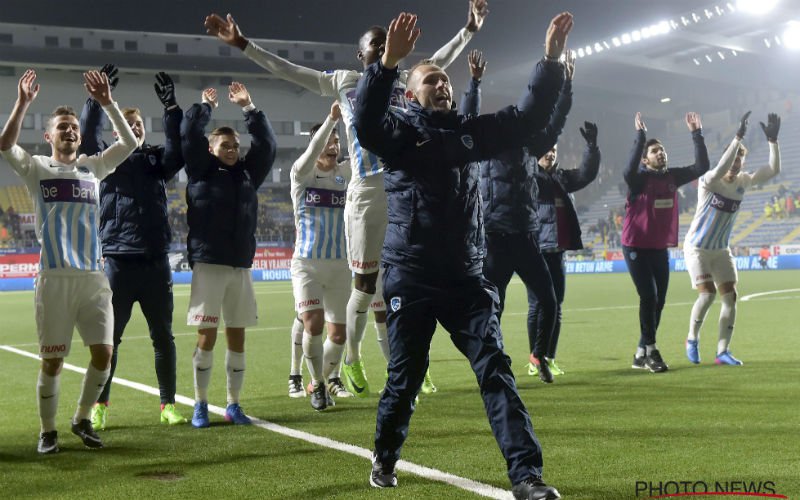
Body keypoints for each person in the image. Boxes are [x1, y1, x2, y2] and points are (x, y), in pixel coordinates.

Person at [203, 0, 489, 397]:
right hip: (367, 192)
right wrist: (244, 44)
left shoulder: (405, 79)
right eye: (376, 44)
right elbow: (290, 70)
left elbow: (437, 62)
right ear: (362, 53)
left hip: (404, 189)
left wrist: (469, 30)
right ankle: (352, 357)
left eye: (386, 42)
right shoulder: (345, 81)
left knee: (401, 287)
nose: (382, 46)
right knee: (365, 286)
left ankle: (405, 366)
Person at [353, 11, 572, 500]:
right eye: (430, 79)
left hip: (467, 278)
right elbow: (365, 123)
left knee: (496, 370)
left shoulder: (467, 134)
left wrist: (551, 60)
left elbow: (526, 119)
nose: (442, 84)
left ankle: (527, 476)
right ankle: (385, 456)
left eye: (445, 79)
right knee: (405, 382)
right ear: (410, 94)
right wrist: (386, 64)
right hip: (410, 277)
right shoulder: (398, 136)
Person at [0, 69, 137, 453]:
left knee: (104, 354)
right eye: (62, 127)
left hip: (93, 277)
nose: (70, 131)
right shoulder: (37, 168)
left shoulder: (93, 168)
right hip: (55, 278)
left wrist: (108, 103)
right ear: (49, 136)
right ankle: (47, 431)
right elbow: (5, 144)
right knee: (53, 362)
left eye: (74, 126)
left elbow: (129, 143)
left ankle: (81, 418)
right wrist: (23, 103)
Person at [78, 66, 187, 429]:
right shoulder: (105, 163)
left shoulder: (155, 161)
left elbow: (178, 153)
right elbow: (87, 139)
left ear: (144, 128)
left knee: (163, 337)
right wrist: (96, 101)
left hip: (156, 263)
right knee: (110, 341)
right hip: (118, 265)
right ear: (117, 131)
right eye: (130, 125)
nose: (136, 129)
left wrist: (172, 110)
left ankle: (167, 405)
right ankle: (100, 405)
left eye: (139, 124)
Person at [461, 47, 574, 384]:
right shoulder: (482, 150)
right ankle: (493, 361)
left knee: (550, 301)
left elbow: (556, 121)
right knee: (492, 308)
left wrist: (566, 86)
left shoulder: (531, 147)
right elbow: (467, 120)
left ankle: (539, 356)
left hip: (525, 238)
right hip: (494, 239)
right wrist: (475, 84)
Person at [182, 82, 277, 428]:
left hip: (240, 265)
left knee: (237, 335)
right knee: (206, 337)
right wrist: (203, 107)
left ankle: (234, 404)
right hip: (209, 264)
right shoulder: (200, 169)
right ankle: (200, 404)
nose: (233, 150)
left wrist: (249, 108)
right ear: (211, 148)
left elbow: (267, 145)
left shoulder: (248, 174)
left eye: (236, 145)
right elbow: (188, 133)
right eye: (226, 145)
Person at [684, 113, 780, 366]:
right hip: (698, 249)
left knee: (730, 297)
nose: (736, 163)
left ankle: (722, 351)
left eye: (740, 159)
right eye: (734, 157)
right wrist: (737, 138)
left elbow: (773, 170)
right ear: (725, 159)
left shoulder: (743, 182)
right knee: (707, 296)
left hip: (720, 250)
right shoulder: (709, 181)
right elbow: (719, 168)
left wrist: (772, 141)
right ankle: (692, 338)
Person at [623, 111, 709, 373]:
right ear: (645, 160)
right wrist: (641, 137)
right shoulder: (638, 180)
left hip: (658, 248)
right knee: (648, 295)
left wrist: (697, 134)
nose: (661, 153)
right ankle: (651, 351)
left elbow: (701, 167)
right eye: (655, 151)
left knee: (659, 300)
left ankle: (641, 350)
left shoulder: (671, 176)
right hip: (635, 246)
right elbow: (627, 170)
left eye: (662, 150)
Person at [289, 101, 354, 410]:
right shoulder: (301, 174)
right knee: (313, 326)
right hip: (307, 265)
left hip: (341, 265)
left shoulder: (346, 173)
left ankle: (321, 380)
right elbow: (315, 147)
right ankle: (316, 385)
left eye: (336, 142)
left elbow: (364, 150)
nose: (333, 146)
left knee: (338, 335)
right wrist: (330, 121)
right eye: (328, 141)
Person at [529, 123, 601, 376]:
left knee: (556, 306)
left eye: (554, 150)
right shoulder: (531, 178)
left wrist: (591, 148)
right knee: (538, 306)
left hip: (557, 250)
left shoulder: (562, 179)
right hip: (536, 250)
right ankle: (534, 359)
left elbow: (586, 174)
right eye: (547, 150)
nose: (551, 153)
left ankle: (548, 356)